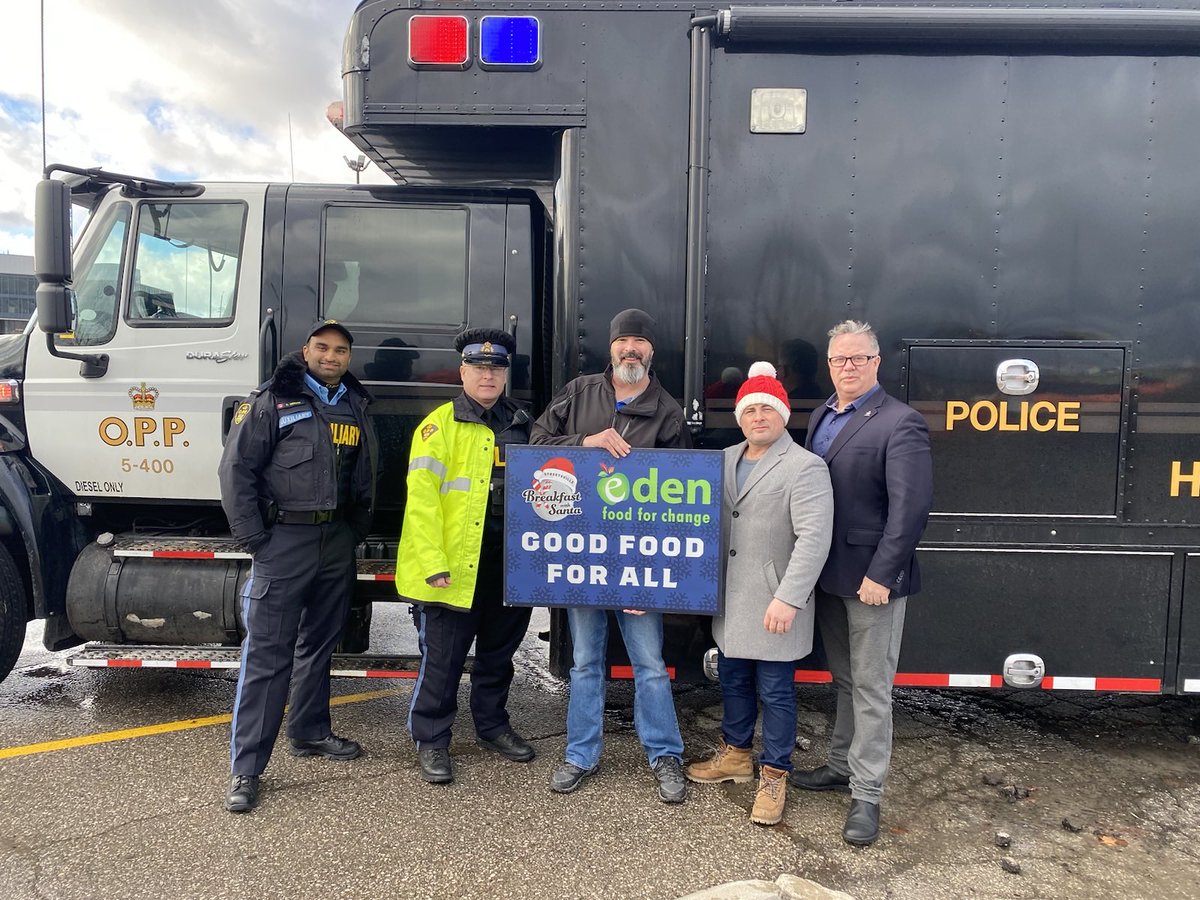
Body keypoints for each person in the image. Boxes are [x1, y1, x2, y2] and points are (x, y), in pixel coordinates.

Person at [530, 308, 692, 803]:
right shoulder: (579, 393)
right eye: (624, 341)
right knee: (585, 663)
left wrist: (658, 576)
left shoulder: (666, 409)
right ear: (612, 348)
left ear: (651, 353)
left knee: (648, 663)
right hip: (582, 554)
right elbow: (535, 444)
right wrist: (586, 441)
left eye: (640, 343)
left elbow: (683, 489)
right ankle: (580, 755)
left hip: (637, 564)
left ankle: (665, 756)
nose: (631, 350)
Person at [218, 318, 377, 813]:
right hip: (283, 541)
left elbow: (364, 472)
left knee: (320, 646)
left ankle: (309, 733)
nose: (331, 357)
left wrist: (353, 531)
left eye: (341, 351)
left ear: (349, 358)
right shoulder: (271, 402)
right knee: (267, 657)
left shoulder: (354, 404)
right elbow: (235, 470)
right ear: (305, 351)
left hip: (335, 543)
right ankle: (247, 770)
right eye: (323, 348)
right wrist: (255, 540)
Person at [791, 320, 933, 845]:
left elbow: (910, 509)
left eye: (857, 359)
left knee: (873, 688)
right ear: (828, 365)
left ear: (876, 362)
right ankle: (837, 766)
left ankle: (867, 795)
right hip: (828, 574)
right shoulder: (821, 415)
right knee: (845, 682)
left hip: (871, 580)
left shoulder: (901, 422)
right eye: (838, 360)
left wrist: (884, 573)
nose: (847, 367)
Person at [686, 361, 833, 826]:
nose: (758, 417)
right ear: (740, 416)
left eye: (768, 408)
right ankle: (735, 756)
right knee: (731, 681)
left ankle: (775, 774)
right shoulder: (724, 460)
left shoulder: (806, 467)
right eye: (750, 409)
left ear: (783, 415)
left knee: (776, 693)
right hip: (729, 601)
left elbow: (814, 539)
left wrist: (789, 598)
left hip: (773, 602)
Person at [397, 328, 535, 784]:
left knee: (499, 657)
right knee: (443, 660)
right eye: (479, 367)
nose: (488, 375)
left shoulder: (524, 424)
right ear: (463, 371)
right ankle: (432, 740)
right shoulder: (438, 426)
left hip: (506, 565)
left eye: (496, 368)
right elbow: (421, 502)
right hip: (454, 567)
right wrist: (433, 562)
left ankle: (492, 727)